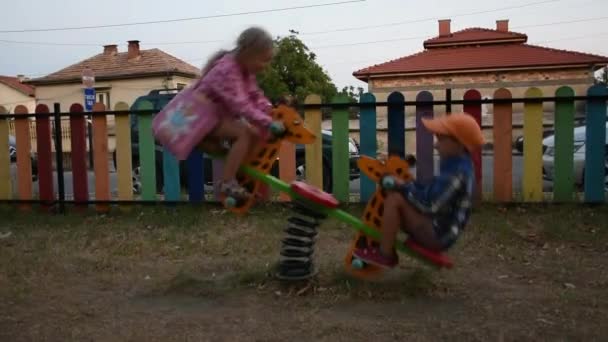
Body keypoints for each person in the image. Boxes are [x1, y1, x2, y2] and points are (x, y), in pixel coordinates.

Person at [353, 113, 484, 269]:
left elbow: (430, 204)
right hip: (436, 228)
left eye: (441, 139)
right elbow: (432, 192)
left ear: (460, 145)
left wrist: (402, 186)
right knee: (400, 196)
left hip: (437, 235)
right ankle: (384, 244)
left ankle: (384, 254)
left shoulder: (457, 172)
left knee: (395, 199)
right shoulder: (455, 164)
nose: (436, 145)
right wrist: (408, 186)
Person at [158, 26, 275, 200]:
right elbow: (241, 104)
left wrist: (269, 110)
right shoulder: (227, 70)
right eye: (263, 60)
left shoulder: (244, 70)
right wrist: (268, 122)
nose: (265, 66)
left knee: (248, 137)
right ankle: (227, 182)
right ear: (249, 52)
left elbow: (254, 94)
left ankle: (239, 177)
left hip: (213, 116)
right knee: (244, 134)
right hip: (199, 116)